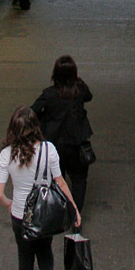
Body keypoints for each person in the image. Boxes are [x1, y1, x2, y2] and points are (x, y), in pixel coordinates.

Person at [0, 106, 81, 270]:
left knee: (24, 258)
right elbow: (60, 183)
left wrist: (9, 203)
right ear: (36, 127)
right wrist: (74, 209)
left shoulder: (6, 155)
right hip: (44, 213)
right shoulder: (48, 149)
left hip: (20, 215)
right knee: (45, 251)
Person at [31, 55, 93, 214]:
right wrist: (78, 80)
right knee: (79, 180)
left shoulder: (49, 94)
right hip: (76, 144)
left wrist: (43, 123)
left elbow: (32, 112)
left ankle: (60, 211)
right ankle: (76, 214)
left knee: (57, 178)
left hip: (54, 145)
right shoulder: (79, 92)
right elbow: (89, 96)